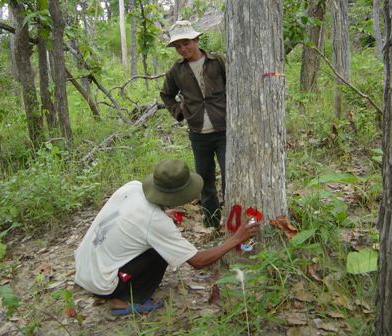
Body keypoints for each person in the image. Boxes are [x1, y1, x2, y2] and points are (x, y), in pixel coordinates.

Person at [74, 160, 258, 316]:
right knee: (160, 252)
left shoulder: (131, 187)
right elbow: (197, 261)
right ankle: (124, 301)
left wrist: (163, 212)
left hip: (85, 268)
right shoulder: (154, 221)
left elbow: (130, 216)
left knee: (156, 244)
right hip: (104, 284)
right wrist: (236, 238)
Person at [160, 20, 226, 228]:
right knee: (205, 180)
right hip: (198, 133)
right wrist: (180, 111)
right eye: (178, 46)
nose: (183, 49)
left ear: (196, 40)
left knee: (230, 175)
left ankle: (235, 220)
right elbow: (166, 94)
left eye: (186, 43)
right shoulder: (176, 71)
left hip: (224, 130)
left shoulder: (217, 62)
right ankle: (212, 222)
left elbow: (234, 85)